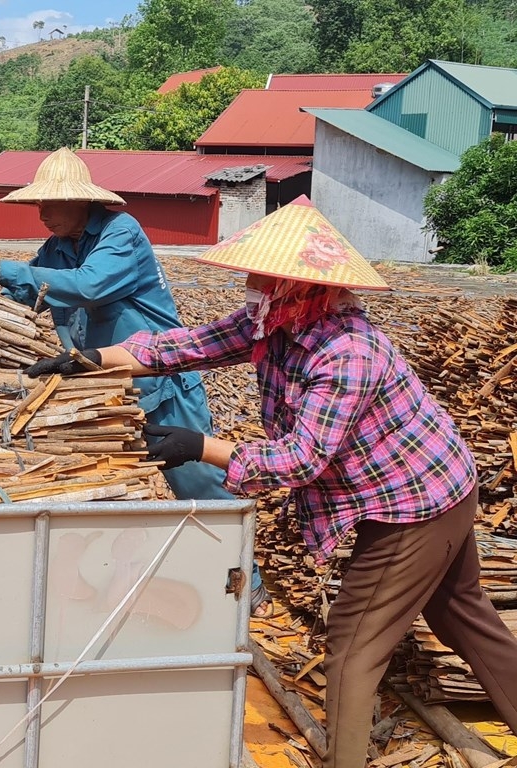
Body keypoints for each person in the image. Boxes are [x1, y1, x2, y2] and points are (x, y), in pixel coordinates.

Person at [26, 197, 517, 768]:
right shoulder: (276, 323)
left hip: (413, 503)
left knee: (352, 648)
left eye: (264, 276)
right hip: (442, 485)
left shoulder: (346, 352)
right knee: (463, 615)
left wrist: (198, 446)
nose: (252, 284)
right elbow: (191, 345)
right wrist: (94, 359)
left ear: (300, 285)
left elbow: (300, 459)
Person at [0, 146, 271, 616]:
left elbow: (89, 285)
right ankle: (114, 575)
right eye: (37, 204)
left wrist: (4, 266)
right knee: (100, 484)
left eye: (49, 204)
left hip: (159, 384)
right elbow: (39, 292)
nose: (41, 214)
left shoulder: (120, 233)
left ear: (82, 202)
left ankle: (247, 585)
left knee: (197, 484)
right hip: (100, 391)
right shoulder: (56, 248)